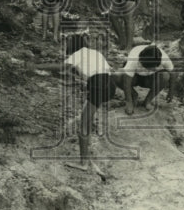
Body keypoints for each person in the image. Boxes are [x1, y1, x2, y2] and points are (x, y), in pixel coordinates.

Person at [36, 32, 127, 172]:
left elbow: (62, 68)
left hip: (98, 84)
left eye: (68, 43)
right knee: (87, 118)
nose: (66, 46)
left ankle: (84, 163)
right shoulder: (94, 53)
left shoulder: (78, 53)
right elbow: (99, 70)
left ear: (74, 45)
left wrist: (38, 66)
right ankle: (88, 148)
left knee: (83, 126)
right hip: (110, 85)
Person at [121, 44, 174, 115]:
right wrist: (129, 102)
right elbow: (127, 81)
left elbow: (173, 73)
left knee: (165, 75)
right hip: (135, 77)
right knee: (118, 75)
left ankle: (147, 101)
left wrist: (171, 92)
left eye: (151, 67)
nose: (148, 69)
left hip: (149, 79)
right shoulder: (134, 59)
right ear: (141, 61)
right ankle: (133, 94)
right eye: (147, 67)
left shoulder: (164, 58)